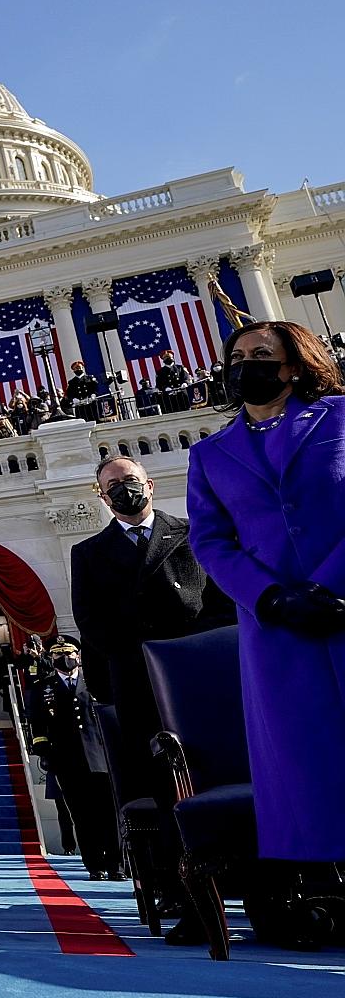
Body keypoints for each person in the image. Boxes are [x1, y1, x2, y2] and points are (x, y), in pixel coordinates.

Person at [185, 319, 345, 864]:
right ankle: (323, 879)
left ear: (293, 366)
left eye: (260, 353)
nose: (244, 364)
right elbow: (211, 542)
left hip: (342, 603)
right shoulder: (209, 455)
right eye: (236, 357)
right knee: (306, 760)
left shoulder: (341, 417)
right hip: (278, 628)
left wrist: (327, 585)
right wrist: (272, 597)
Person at [70, 454, 235, 941]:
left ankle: (260, 890)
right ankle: (189, 898)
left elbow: (221, 604)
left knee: (220, 775)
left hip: (202, 680)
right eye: (113, 486)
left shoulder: (190, 532)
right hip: (142, 684)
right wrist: (147, 651)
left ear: (150, 482)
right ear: (102, 497)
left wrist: (189, 651)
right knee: (168, 791)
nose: (125, 490)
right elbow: (93, 626)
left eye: (131, 481)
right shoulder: (89, 552)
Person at [27, 638, 121, 880]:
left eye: (68, 653)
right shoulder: (43, 687)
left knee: (108, 813)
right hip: (66, 760)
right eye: (57, 654)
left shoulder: (95, 681)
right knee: (82, 815)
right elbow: (37, 723)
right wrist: (44, 751)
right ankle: (95, 865)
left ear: (78, 655)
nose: (64, 658)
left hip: (100, 757)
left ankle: (116, 864)